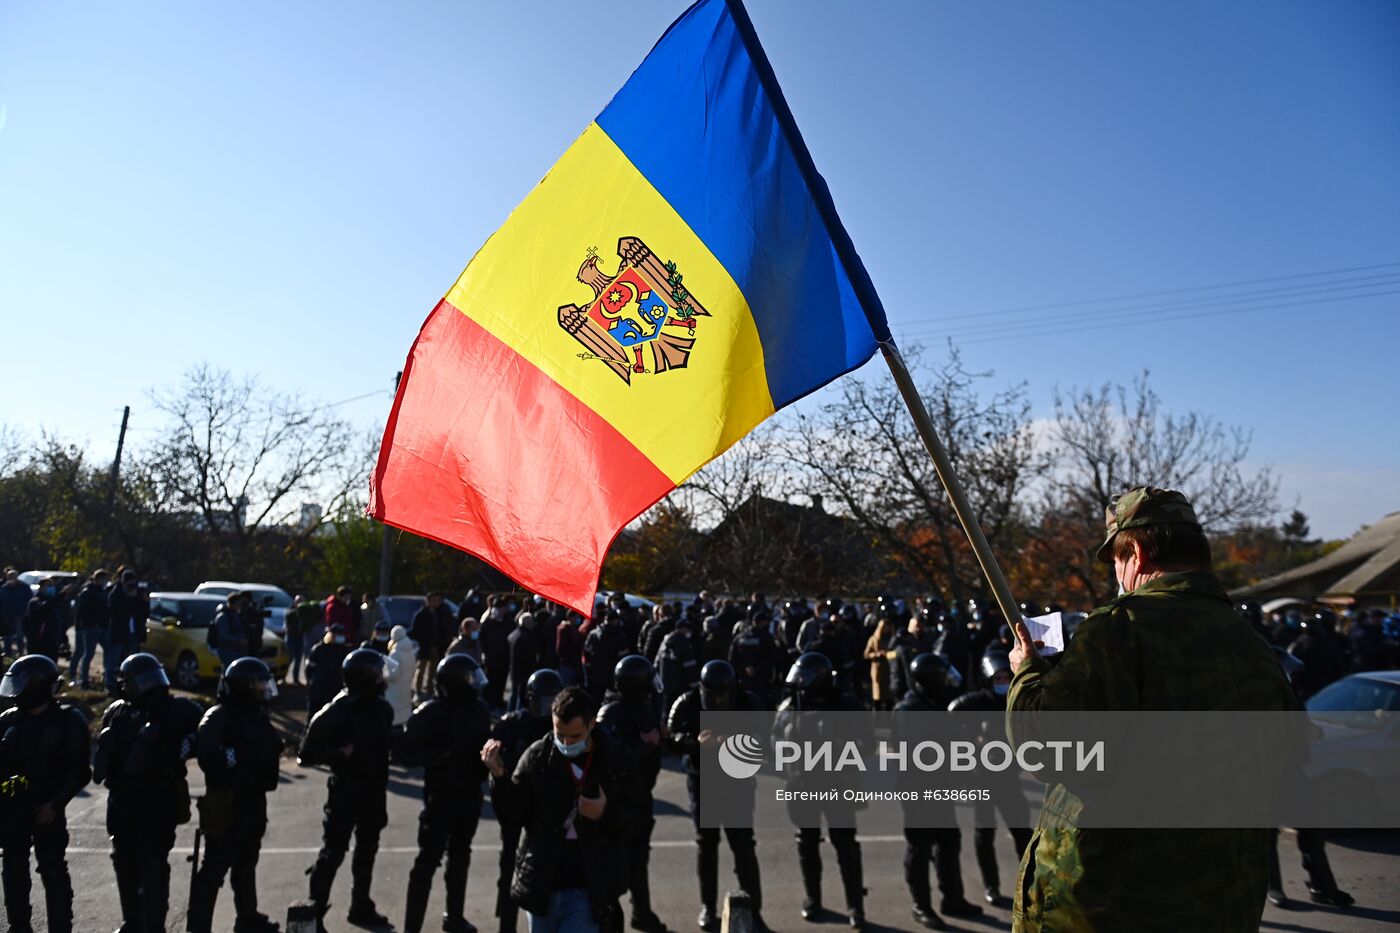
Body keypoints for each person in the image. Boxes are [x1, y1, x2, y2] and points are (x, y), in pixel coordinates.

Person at [1006, 486, 1298, 933]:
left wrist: (1027, 672)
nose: (1116, 574)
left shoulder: (1120, 629)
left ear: (1137, 553)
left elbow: (1042, 747)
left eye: (1116, 560)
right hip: (1222, 905)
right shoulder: (1254, 647)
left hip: (1111, 906)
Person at [482, 685, 640, 933]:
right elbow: (514, 815)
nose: (566, 743)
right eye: (560, 735)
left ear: (591, 725)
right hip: (544, 885)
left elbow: (637, 817)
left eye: (574, 737)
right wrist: (499, 777)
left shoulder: (615, 759)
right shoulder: (537, 758)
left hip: (587, 888)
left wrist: (605, 814)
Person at [95, 651, 203, 932]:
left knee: (153, 863)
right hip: (122, 799)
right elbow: (101, 758)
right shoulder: (117, 712)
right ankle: (131, 921)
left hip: (158, 797)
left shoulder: (176, 709)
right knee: (124, 861)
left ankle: (154, 926)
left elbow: (205, 736)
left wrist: (177, 747)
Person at [668, 660, 767, 933]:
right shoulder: (688, 702)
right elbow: (672, 732)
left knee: (744, 846)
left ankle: (754, 911)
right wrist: (694, 742)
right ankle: (707, 907)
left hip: (738, 783)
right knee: (707, 846)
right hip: (703, 782)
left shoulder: (748, 701)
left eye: (723, 695)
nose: (719, 701)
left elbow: (763, 737)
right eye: (713, 696)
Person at [185, 657, 283, 933]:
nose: (264, 690)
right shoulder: (218, 717)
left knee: (246, 862)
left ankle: (247, 918)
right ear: (244, 687)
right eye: (259, 685)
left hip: (253, 801)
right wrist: (238, 756)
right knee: (214, 868)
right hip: (226, 802)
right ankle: (198, 926)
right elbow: (208, 756)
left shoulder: (257, 715)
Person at [300, 648, 395, 928]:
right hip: (346, 791)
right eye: (376, 673)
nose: (382, 677)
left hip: (375, 790)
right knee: (333, 852)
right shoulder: (337, 710)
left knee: (368, 850)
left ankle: (360, 906)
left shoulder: (382, 708)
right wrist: (340, 753)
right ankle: (314, 913)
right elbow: (307, 753)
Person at [399, 653, 493, 933]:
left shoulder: (480, 710)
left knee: (461, 857)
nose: (476, 683)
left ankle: (454, 917)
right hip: (440, 798)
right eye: (470, 678)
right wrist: (436, 757)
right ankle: (411, 927)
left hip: (470, 795)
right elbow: (404, 751)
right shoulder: (431, 712)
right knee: (427, 862)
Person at [0, 654, 91, 933]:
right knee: (14, 869)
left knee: (52, 870)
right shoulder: (7, 719)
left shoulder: (68, 720)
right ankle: (19, 926)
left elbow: (80, 772)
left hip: (48, 810)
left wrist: (55, 804)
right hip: (14, 808)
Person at [947, 650, 1031, 908]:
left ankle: (1029, 882)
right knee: (984, 834)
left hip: (1010, 779)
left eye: (1006, 677)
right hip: (982, 779)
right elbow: (951, 712)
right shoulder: (978, 701)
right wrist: (971, 739)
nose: (1002, 682)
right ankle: (991, 885)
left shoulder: (1016, 700)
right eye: (997, 678)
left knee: (1022, 833)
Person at [490, 668, 563, 933]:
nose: (545, 709)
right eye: (541, 701)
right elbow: (496, 767)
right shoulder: (512, 725)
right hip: (516, 806)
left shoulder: (563, 729)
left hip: (548, 811)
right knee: (510, 871)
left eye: (551, 702)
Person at [597, 656, 666, 933]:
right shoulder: (612, 712)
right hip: (618, 803)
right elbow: (609, 758)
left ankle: (642, 912)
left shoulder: (642, 706)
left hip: (640, 797)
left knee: (639, 860)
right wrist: (644, 745)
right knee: (616, 864)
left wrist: (660, 738)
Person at [105, 570, 148, 695]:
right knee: (114, 660)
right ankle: (110, 685)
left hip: (134, 632)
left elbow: (144, 612)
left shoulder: (138, 593)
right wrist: (131, 598)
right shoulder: (115, 594)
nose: (132, 584)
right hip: (119, 632)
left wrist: (144, 602)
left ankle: (130, 685)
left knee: (132, 660)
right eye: (129, 582)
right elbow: (116, 609)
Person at [729, 611, 781, 708]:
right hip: (762, 681)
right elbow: (772, 658)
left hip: (743, 680)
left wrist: (744, 669)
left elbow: (732, 659)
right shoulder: (767, 637)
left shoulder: (740, 637)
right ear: (762, 622)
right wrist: (757, 670)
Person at [305, 624, 353, 719]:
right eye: (337, 634)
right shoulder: (319, 649)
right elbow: (309, 670)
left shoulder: (346, 650)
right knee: (315, 716)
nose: (340, 636)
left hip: (338, 689)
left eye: (341, 634)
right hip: (319, 690)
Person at [72, 568, 110, 688]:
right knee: (88, 653)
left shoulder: (103, 592)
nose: (105, 582)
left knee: (108, 650)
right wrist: (92, 624)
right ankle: (84, 680)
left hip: (102, 627)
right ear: (98, 579)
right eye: (104, 580)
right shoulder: (87, 592)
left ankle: (106, 675)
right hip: (90, 628)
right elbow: (81, 612)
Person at [656, 615, 699, 714]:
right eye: (687, 629)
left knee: (666, 710)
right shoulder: (684, 645)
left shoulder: (665, 641)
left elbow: (657, 662)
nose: (689, 632)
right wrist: (695, 686)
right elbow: (689, 667)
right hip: (680, 686)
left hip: (665, 683)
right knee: (679, 711)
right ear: (682, 629)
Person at [412, 592, 452, 695]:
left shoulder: (438, 613)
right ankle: (418, 689)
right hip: (425, 646)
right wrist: (423, 642)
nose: (437, 602)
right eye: (434, 600)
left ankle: (429, 689)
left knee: (433, 670)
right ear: (428, 601)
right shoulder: (420, 614)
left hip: (436, 646)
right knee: (421, 669)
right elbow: (415, 631)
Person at [583, 610, 628, 697]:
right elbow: (623, 658)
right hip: (612, 674)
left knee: (596, 698)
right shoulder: (618, 635)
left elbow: (586, 652)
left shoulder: (593, 633)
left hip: (596, 673)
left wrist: (589, 668)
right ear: (615, 620)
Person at [481, 596, 515, 709]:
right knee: (489, 683)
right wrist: (486, 654)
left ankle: (498, 702)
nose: (499, 611)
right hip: (490, 660)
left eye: (501, 608)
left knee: (501, 683)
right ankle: (488, 703)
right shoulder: (487, 623)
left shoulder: (509, 623)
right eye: (497, 608)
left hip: (504, 659)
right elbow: (482, 641)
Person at [23, 578, 64, 661]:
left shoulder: (53, 603)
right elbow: (43, 607)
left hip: (52, 643)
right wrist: (62, 595)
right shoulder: (35, 601)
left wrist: (64, 639)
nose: (51, 588)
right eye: (48, 586)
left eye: (52, 586)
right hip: (38, 644)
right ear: (41, 587)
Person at [385, 623, 418, 727]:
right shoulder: (410, 653)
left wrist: (383, 673)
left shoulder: (395, 654)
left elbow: (392, 675)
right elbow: (413, 671)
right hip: (406, 690)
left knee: (395, 718)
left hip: (394, 692)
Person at [508, 612, 543, 711]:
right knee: (520, 697)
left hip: (514, 671)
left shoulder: (514, 635)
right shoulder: (526, 637)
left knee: (514, 695)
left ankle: (510, 713)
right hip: (523, 672)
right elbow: (529, 657)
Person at [214, 592, 250, 671]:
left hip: (236, 650)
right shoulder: (224, 616)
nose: (241, 605)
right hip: (227, 651)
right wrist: (239, 641)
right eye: (239, 603)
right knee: (229, 673)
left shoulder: (235, 615)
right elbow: (223, 636)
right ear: (234, 603)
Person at [1, 567, 32, 657]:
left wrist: (25, 612)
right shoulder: (4, 588)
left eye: (13, 576)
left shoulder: (24, 587)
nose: (12, 578)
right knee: (7, 635)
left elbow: (29, 599)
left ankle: (21, 652)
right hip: (7, 615)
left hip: (19, 615)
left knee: (20, 635)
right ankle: (8, 653)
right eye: (9, 577)